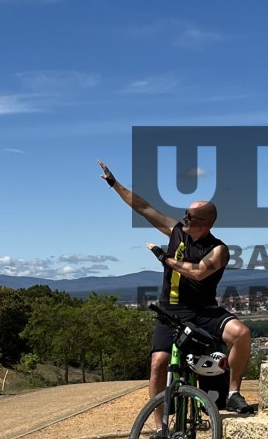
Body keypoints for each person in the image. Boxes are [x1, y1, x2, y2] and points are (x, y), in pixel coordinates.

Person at [97, 159, 255, 415]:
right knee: (158, 362)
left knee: (242, 334)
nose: (184, 218)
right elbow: (144, 208)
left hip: (204, 311)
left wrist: (165, 259)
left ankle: (234, 392)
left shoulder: (219, 249)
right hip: (172, 309)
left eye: (190, 217)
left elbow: (199, 272)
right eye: (185, 214)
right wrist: (115, 184)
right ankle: (159, 427)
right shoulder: (177, 232)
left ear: (205, 224)